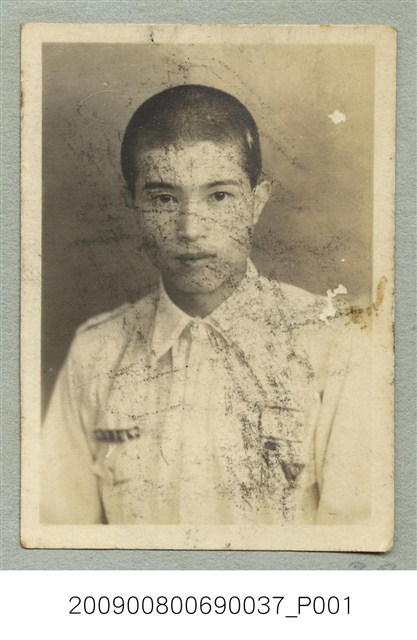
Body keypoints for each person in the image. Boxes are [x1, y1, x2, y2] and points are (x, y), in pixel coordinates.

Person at [41, 84, 371, 526]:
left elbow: (355, 546)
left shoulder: (333, 346)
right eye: (163, 198)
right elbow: (61, 539)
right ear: (132, 203)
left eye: (219, 196)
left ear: (256, 202)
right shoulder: (96, 354)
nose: (190, 229)